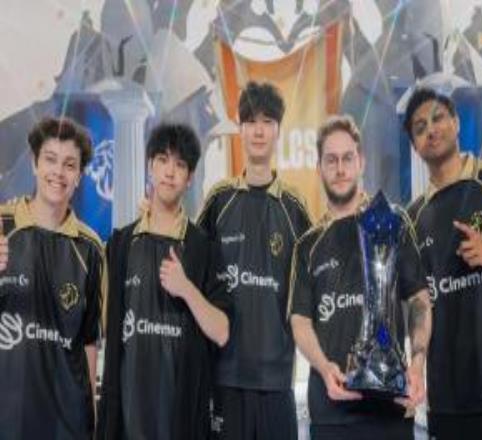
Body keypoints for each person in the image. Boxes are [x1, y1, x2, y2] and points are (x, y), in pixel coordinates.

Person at [289, 115, 432, 440]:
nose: (340, 169)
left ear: (361, 162)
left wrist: (417, 363)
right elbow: (300, 321)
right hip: (331, 413)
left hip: (390, 411)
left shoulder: (393, 222)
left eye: (347, 158)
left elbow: (419, 301)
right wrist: (324, 367)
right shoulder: (308, 245)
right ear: (319, 168)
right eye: (331, 160)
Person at [97, 122, 230, 440]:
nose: (170, 172)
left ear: (190, 177)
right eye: (162, 160)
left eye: (180, 165)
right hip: (128, 420)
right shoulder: (121, 244)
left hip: (182, 421)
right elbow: (103, 329)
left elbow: (222, 332)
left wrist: (187, 290)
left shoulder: (203, 247)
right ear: (149, 166)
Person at [197, 81, 311, 440]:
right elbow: (191, 265)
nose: (258, 130)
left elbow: (315, 285)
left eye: (267, 122)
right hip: (226, 376)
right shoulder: (219, 200)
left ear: (278, 130)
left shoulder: (294, 207)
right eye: (250, 122)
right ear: (240, 129)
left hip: (277, 379)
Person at [0, 116, 105, 439]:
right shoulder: (3, 226)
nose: (58, 172)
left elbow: (89, 341)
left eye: (69, 165)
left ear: (80, 176)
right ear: (34, 164)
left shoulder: (90, 248)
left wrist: (91, 421)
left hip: (66, 424)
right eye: (50, 159)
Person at [404, 88, 482, 439]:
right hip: (446, 405)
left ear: (457, 123)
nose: (431, 129)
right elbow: (418, 304)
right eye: (419, 127)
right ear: (415, 147)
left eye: (438, 118)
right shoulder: (412, 218)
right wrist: (415, 364)